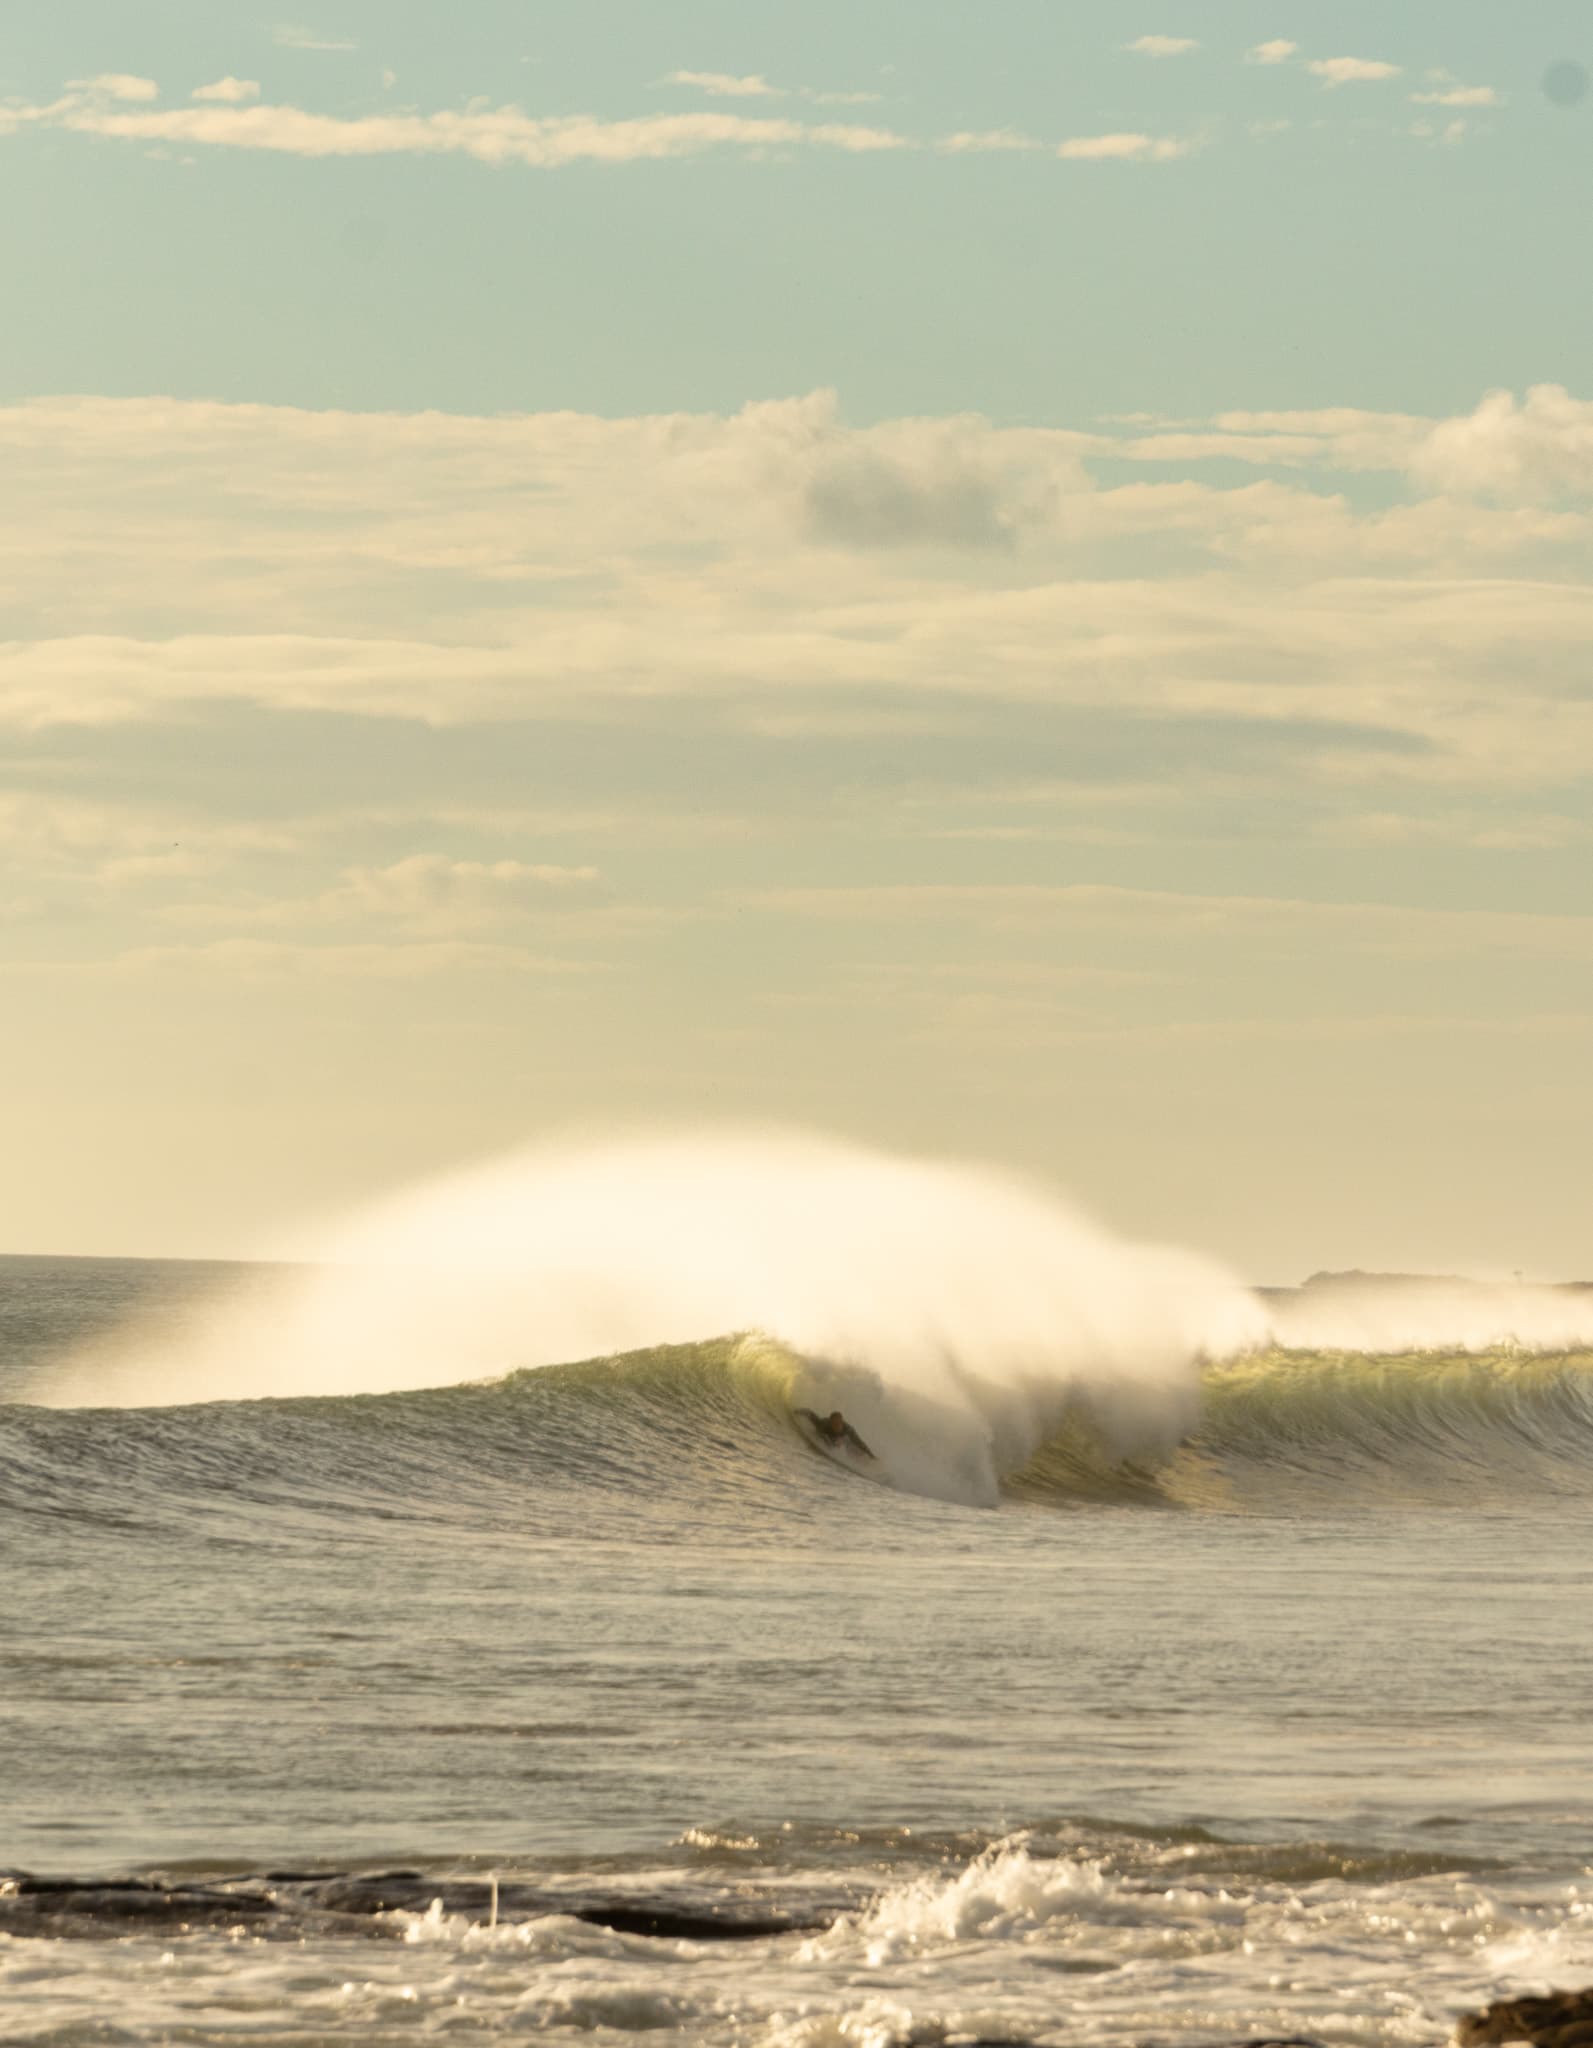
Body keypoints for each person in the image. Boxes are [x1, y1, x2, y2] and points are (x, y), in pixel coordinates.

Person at [797, 1406, 875, 1459]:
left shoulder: (848, 1429)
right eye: (834, 1424)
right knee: (816, 1423)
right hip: (827, 1434)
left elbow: (859, 1442)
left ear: (842, 1422)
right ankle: (796, 1410)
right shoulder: (824, 1424)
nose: (836, 1426)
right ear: (831, 1422)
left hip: (838, 1438)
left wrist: (871, 1455)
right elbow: (810, 1414)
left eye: (838, 1424)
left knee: (853, 1445)